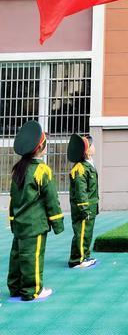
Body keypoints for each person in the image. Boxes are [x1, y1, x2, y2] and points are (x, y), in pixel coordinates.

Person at [8, 120, 64, 301]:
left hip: (20, 223)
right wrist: (57, 223)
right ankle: (33, 290)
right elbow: (51, 199)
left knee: (17, 255)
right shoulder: (42, 170)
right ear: (41, 147)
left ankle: (15, 287)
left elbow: (13, 199)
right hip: (35, 224)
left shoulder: (18, 170)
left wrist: (12, 219)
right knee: (33, 256)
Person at [67, 134, 99, 269]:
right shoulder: (80, 168)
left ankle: (84, 255)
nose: (94, 147)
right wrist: (84, 208)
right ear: (86, 150)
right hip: (84, 208)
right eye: (91, 145)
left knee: (86, 233)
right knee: (81, 233)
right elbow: (81, 191)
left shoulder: (88, 164)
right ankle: (77, 260)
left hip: (90, 206)